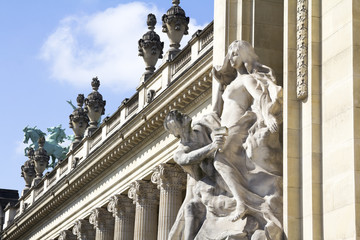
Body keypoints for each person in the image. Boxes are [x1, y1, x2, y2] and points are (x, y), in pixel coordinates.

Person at [212, 40, 283, 239]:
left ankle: (242, 201)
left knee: (219, 160)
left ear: (244, 55)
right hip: (224, 129)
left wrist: (268, 116)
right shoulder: (231, 84)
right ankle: (241, 200)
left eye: (235, 54)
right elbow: (215, 110)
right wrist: (218, 85)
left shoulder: (247, 79)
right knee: (217, 161)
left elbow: (259, 96)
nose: (232, 58)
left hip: (239, 126)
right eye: (230, 55)